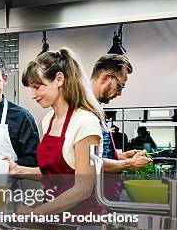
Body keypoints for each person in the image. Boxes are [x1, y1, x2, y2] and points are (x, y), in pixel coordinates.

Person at [6, 48, 104, 215]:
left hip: (82, 223)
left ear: (59, 79)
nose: (33, 95)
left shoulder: (85, 123)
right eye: (31, 88)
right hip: (54, 218)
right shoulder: (48, 120)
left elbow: (83, 189)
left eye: (37, 87)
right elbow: (55, 174)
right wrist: (18, 170)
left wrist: (35, 214)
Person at [90, 54, 151, 171]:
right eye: (120, 86)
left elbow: (98, 155)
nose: (120, 93)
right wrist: (130, 163)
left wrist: (124, 156)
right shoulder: (84, 110)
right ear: (105, 78)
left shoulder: (95, 108)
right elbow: (90, 162)